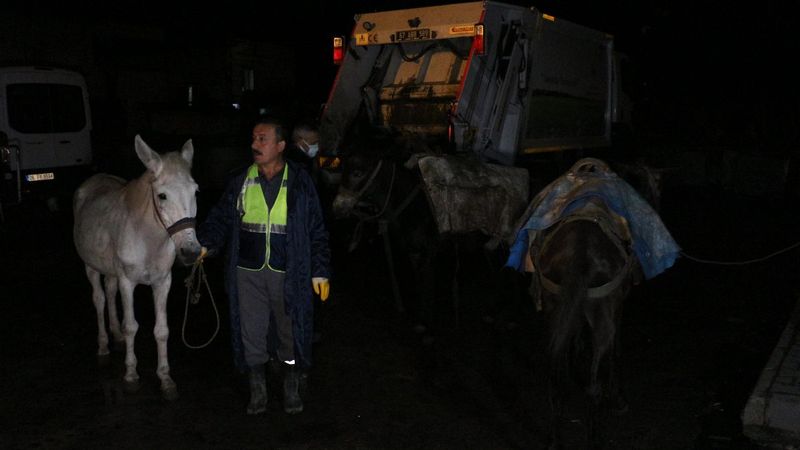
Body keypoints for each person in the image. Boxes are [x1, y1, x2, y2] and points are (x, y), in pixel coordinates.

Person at [197, 115, 331, 415]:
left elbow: (317, 230)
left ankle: (290, 385)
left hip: (289, 271)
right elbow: (221, 218)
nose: (255, 145)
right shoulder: (241, 180)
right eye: (254, 139)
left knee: (289, 331)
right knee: (251, 331)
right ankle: (258, 390)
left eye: (262, 139)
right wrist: (206, 242)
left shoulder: (300, 182)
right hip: (247, 272)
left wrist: (320, 270)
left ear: (281, 145)